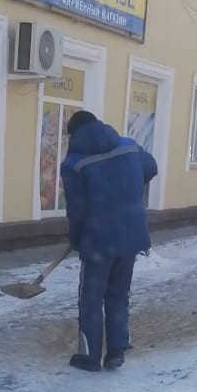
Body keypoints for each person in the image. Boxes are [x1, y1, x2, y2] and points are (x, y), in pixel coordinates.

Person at [60, 110, 158, 372]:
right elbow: (152, 167)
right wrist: (127, 185)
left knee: (91, 298)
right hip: (131, 234)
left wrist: (77, 239)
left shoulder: (73, 163)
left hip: (98, 239)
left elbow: (76, 210)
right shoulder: (128, 146)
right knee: (118, 293)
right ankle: (116, 349)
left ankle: (90, 356)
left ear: (74, 135)